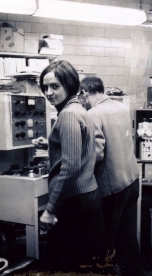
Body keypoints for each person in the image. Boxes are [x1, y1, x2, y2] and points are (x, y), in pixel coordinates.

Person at [34, 61, 106, 273]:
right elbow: (80, 149)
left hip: (75, 202)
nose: (49, 92)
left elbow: (70, 167)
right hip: (87, 196)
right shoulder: (79, 109)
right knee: (84, 264)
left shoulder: (67, 114)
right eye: (45, 87)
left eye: (55, 86)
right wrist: (51, 144)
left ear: (69, 84)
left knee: (66, 265)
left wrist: (50, 210)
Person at [79, 76, 144, 276]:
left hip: (113, 184)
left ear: (83, 93)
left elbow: (97, 153)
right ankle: (133, 271)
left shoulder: (93, 114)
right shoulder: (120, 108)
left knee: (107, 236)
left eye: (79, 97)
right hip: (131, 179)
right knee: (128, 232)